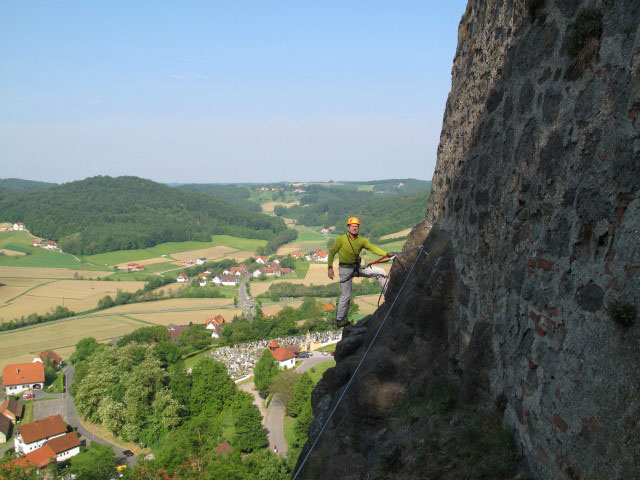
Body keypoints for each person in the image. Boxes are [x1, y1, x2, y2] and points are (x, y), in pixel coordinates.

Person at [327, 217, 392, 327]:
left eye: (356, 226)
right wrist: (329, 267)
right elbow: (332, 252)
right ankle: (340, 319)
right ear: (348, 227)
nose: (355, 228)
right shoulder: (341, 239)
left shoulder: (361, 240)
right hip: (345, 269)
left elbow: (372, 248)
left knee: (380, 271)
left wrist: (387, 254)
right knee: (346, 295)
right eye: (352, 226)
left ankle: (389, 296)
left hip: (356, 268)